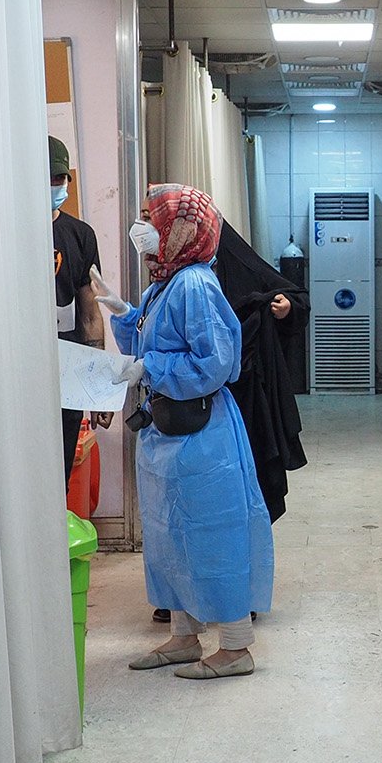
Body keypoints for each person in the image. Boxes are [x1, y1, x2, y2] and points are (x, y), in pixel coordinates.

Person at [112, 184, 275, 679]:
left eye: (149, 218)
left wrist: (151, 367)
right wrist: (123, 317)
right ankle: (183, 637)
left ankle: (236, 647)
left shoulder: (195, 285)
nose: (141, 228)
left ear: (180, 229)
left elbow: (215, 363)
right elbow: (148, 336)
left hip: (201, 435)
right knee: (167, 537)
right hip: (167, 433)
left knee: (211, 535)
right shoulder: (165, 282)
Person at [214, 220, 310, 522]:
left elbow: (295, 295)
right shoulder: (180, 278)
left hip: (242, 393)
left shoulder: (233, 263)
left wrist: (288, 306)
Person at [50, 136, 110, 482]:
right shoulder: (6, 231)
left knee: (60, 476)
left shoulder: (80, 235)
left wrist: (99, 390)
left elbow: (90, 316)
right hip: (18, 376)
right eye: (45, 177)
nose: (53, 185)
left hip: (67, 372)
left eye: (59, 178)